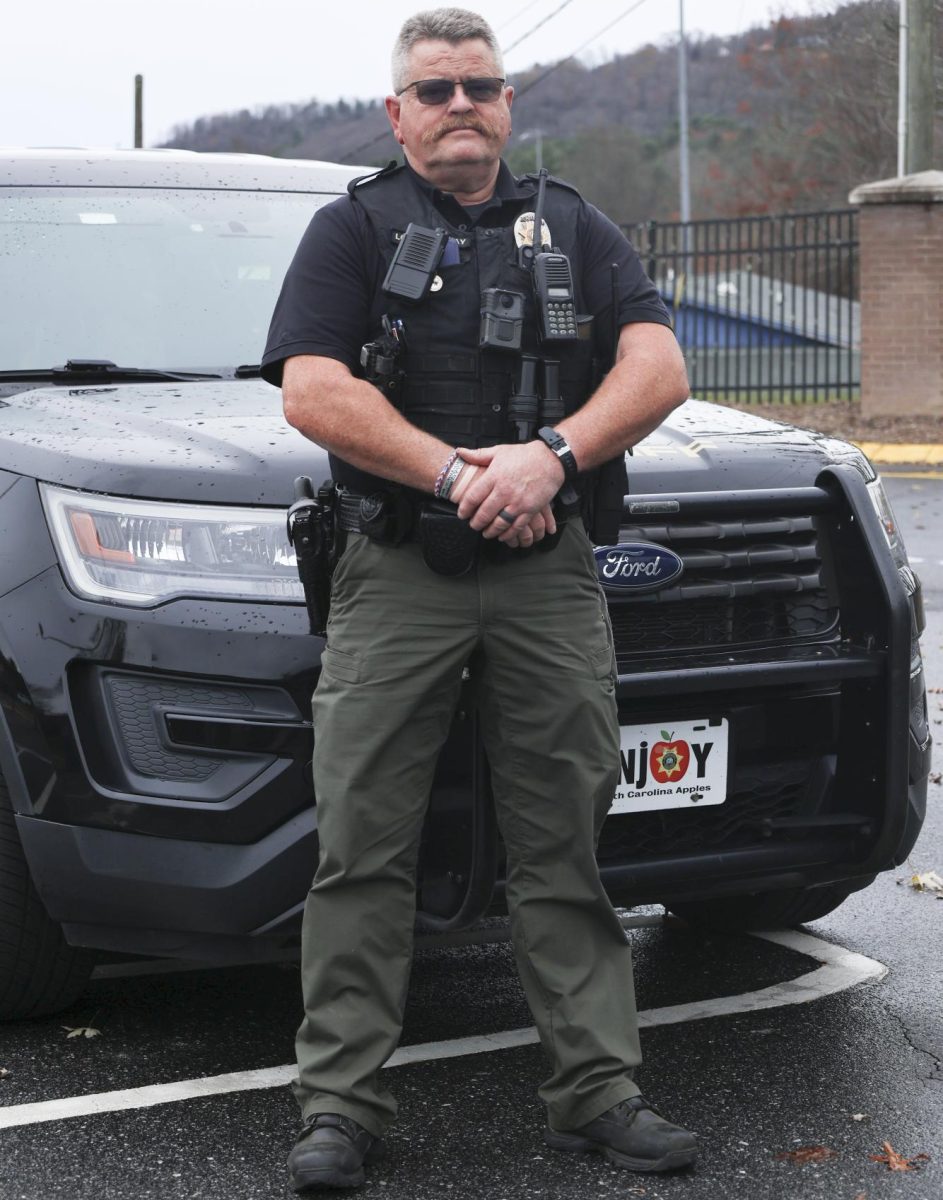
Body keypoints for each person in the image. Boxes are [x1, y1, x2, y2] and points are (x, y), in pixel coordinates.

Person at [261, 7, 696, 1191]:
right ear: (398, 113)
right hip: (399, 566)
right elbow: (311, 389)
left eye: (482, 86)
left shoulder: (575, 225)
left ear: (506, 106)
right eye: (436, 88)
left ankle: (597, 1093)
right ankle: (340, 1109)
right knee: (363, 846)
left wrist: (549, 457)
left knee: (563, 839)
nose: (462, 104)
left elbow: (656, 365)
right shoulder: (348, 232)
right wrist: (458, 472)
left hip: (547, 571)